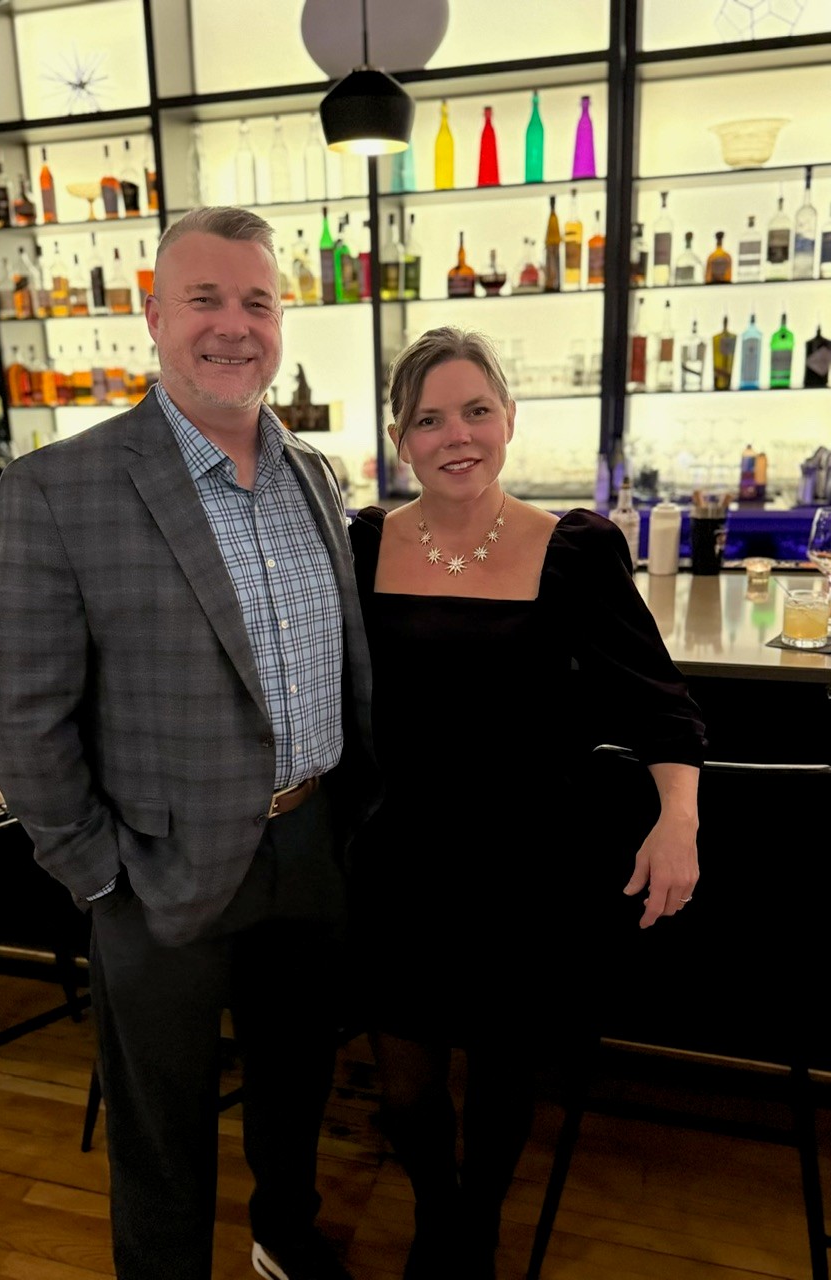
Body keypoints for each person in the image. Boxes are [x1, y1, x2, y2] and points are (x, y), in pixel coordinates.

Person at [0, 206, 380, 1280]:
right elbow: (20, 714)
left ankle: (283, 1240)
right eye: (204, 298)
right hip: (154, 867)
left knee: (297, 1087)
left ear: (282, 319)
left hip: (310, 843)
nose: (232, 325)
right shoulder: (59, 488)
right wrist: (97, 873)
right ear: (154, 317)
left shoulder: (317, 477)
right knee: (162, 1129)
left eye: (256, 300)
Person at [347, 326, 706, 1280]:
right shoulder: (365, 541)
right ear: (400, 437)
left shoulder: (575, 548)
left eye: (474, 411)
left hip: (526, 861)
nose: (454, 435)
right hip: (399, 855)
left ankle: (478, 1225)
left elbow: (660, 702)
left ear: (510, 418)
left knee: (504, 1073)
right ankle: (436, 1207)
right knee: (409, 1079)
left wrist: (680, 822)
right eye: (428, 419)